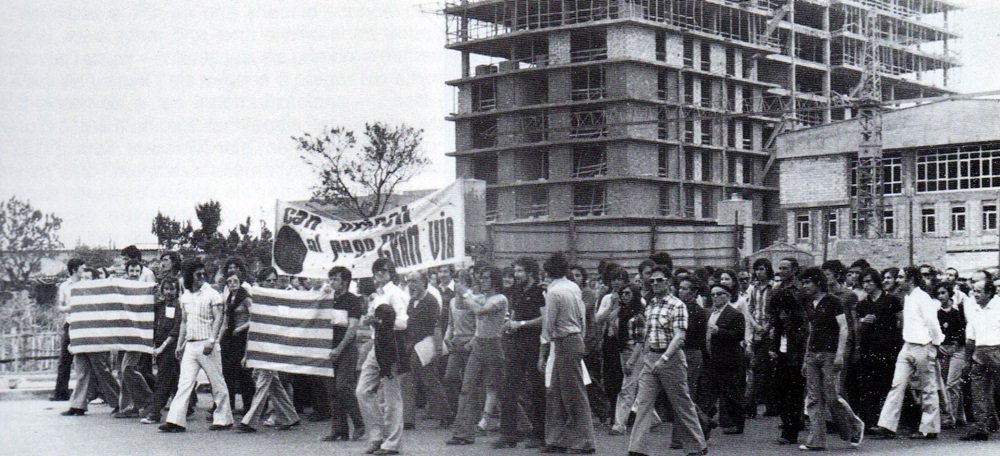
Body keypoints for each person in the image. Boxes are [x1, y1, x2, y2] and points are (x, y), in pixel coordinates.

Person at [627, 265, 707, 456]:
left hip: (671, 359)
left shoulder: (677, 305)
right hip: (651, 357)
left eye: (659, 280)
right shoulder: (651, 305)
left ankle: (697, 446)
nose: (655, 283)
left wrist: (664, 358)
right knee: (644, 402)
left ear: (669, 282)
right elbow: (648, 334)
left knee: (682, 404)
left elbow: (679, 337)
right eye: (652, 280)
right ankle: (637, 449)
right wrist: (647, 355)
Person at [159, 259, 234, 433]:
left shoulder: (212, 293)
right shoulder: (185, 296)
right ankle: (176, 421)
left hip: (207, 344)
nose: (201, 277)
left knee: (217, 382)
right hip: (191, 346)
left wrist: (212, 340)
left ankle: (224, 419)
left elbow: (218, 318)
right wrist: (180, 344)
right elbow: (184, 322)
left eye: (203, 273)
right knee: (184, 383)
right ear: (188, 276)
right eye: (197, 274)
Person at [876, 266, 945, 440]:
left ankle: (930, 428)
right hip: (908, 345)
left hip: (923, 345)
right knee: (897, 384)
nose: (897, 280)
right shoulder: (907, 297)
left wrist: (935, 344)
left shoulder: (923, 298)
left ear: (911, 279)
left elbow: (932, 323)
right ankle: (887, 425)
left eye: (900, 277)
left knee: (928, 387)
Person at [799, 267, 864, 450]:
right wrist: (806, 357)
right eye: (804, 283)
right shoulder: (810, 303)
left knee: (831, 395)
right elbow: (811, 331)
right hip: (813, 354)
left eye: (808, 282)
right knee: (813, 398)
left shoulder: (833, 301)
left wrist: (840, 355)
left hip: (829, 354)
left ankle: (853, 426)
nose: (806, 286)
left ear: (818, 282)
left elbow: (843, 328)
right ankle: (816, 440)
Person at [538, 253, 595, 454]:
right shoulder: (573, 287)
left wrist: (544, 347)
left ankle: (583, 441)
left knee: (572, 392)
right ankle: (558, 439)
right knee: (558, 390)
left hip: (563, 341)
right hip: (574, 338)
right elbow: (582, 317)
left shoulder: (553, 292)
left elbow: (548, 324)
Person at [446, 266, 507, 446]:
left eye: (487, 278)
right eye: (481, 278)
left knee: (500, 387)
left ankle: (522, 426)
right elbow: (461, 305)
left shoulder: (500, 299)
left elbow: (480, 311)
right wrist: (462, 291)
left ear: (495, 281)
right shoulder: (484, 297)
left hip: (494, 345)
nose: (482, 282)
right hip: (480, 344)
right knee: (468, 387)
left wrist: (465, 293)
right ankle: (463, 433)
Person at [235, 268, 300, 434]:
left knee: (264, 381)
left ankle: (249, 420)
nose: (272, 283)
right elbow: (254, 328)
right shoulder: (257, 301)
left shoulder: (280, 301)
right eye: (268, 280)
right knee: (273, 383)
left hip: (274, 347)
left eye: (274, 280)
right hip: (261, 346)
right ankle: (290, 416)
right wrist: (247, 353)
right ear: (262, 282)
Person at [356, 258, 409, 456]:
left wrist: (379, 321)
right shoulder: (376, 295)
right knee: (362, 390)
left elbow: (402, 322)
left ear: (391, 273)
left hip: (392, 346)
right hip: (376, 344)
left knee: (392, 396)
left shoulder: (396, 294)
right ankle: (377, 436)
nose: (379, 275)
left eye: (383, 271)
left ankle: (391, 443)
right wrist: (371, 320)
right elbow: (369, 321)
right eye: (376, 270)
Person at [492, 257, 546, 450]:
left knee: (537, 389)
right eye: (515, 271)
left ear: (530, 272)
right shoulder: (516, 291)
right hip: (516, 344)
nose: (516, 275)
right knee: (508, 387)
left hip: (534, 344)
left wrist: (521, 324)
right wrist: (509, 325)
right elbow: (513, 314)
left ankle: (540, 434)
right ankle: (508, 434)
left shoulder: (539, 291)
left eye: (520, 271)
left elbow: (544, 318)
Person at [853, 268, 904, 432]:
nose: (866, 285)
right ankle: (869, 421)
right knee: (869, 386)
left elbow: (900, 322)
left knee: (889, 384)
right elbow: (856, 327)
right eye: (864, 282)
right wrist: (862, 321)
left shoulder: (891, 300)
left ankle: (889, 422)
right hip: (869, 349)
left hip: (889, 349)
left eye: (869, 281)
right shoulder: (862, 304)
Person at [320, 266, 365, 442]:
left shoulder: (352, 300)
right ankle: (339, 429)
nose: (331, 283)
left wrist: (339, 349)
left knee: (343, 387)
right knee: (332, 391)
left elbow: (352, 328)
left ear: (345, 282)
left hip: (346, 349)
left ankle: (359, 422)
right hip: (329, 348)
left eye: (335, 280)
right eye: (330, 279)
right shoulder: (328, 299)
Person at [401, 270, 449, 429]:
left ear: (424, 283)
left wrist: (436, 349)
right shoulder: (412, 301)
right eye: (409, 281)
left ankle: (445, 414)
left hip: (424, 347)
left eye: (414, 281)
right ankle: (408, 419)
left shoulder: (431, 301)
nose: (410, 285)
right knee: (408, 381)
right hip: (411, 346)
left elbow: (436, 326)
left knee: (430, 381)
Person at [769, 257, 808, 445]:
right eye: (780, 267)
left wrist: (787, 321)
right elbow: (773, 321)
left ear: (794, 270)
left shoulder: (801, 291)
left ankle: (791, 428)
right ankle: (790, 423)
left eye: (786, 268)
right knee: (781, 389)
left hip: (797, 347)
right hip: (782, 344)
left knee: (794, 389)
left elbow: (804, 321)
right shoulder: (776, 291)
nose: (782, 271)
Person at [702, 283, 747, 435]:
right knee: (708, 393)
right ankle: (706, 421)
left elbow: (739, 335)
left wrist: (720, 331)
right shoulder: (709, 313)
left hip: (728, 361)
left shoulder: (734, 314)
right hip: (710, 359)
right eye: (713, 294)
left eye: (719, 294)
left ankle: (738, 423)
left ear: (727, 296)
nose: (715, 297)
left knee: (732, 394)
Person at [960, 279, 1000, 441]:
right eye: (974, 291)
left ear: (990, 292)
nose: (975, 295)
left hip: (997, 351)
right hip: (979, 353)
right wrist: (968, 360)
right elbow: (970, 337)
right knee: (979, 391)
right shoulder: (975, 309)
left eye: (979, 291)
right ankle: (980, 427)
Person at [115, 260, 155, 419]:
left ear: (140, 273)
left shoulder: (144, 291)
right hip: (123, 334)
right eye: (131, 270)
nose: (134, 274)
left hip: (138, 336)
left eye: (137, 271)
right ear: (127, 272)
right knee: (123, 371)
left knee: (128, 368)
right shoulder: (122, 290)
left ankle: (148, 399)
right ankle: (128, 406)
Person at [140, 277, 183, 424]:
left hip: (170, 347)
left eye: (172, 289)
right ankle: (185, 408)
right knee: (174, 379)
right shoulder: (159, 306)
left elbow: (175, 330)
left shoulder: (179, 306)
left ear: (177, 290)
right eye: (166, 289)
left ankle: (155, 412)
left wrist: (161, 348)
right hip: (158, 346)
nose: (169, 292)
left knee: (163, 379)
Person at [744, 258, 775, 418]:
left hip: (770, 332)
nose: (759, 272)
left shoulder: (774, 287)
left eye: (762, 269)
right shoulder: (752, 288)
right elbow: (749, 309)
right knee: (757, 367)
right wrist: (755, 326)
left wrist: (767, 326)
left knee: (763, 369)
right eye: (757, 269)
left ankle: (758, 404)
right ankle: (752, 405)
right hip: (756, 331)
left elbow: (775, 310)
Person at [52, 258, 86, 401]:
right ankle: (61, 392)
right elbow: (60, 307)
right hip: (71, 322)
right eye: (82, 269)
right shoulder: (65, 286)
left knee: (86, 359)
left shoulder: (87, 284)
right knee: (65, 359)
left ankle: (91, 393)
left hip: (85, 324)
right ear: (74, 270)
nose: (84, 271)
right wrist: (70, 308)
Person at [934, 281, 967, 428]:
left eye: (943, 293)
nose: (941, 296)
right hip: (944, 349)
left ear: (949, 293)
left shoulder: (959, 310)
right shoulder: (937, 313)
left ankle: (950, 417)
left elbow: (964, 329)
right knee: (949, 383)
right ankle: (960, 416)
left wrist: (956, 344)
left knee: (951, 383)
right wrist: (940, 345)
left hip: (958, 349)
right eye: (938, 294)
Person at [220, 272, 254, 413]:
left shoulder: (245, 298)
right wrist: (218, 338)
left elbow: (254, 318)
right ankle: (229, 405)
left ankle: (248, 406)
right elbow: (225, 321)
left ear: (240, 282)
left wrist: (240, 328)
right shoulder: (229, 299)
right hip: (231, 337)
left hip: (243, 336)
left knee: (244, 372)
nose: (232, 283)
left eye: (235, 281)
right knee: (229, 371)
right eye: (229, 281)